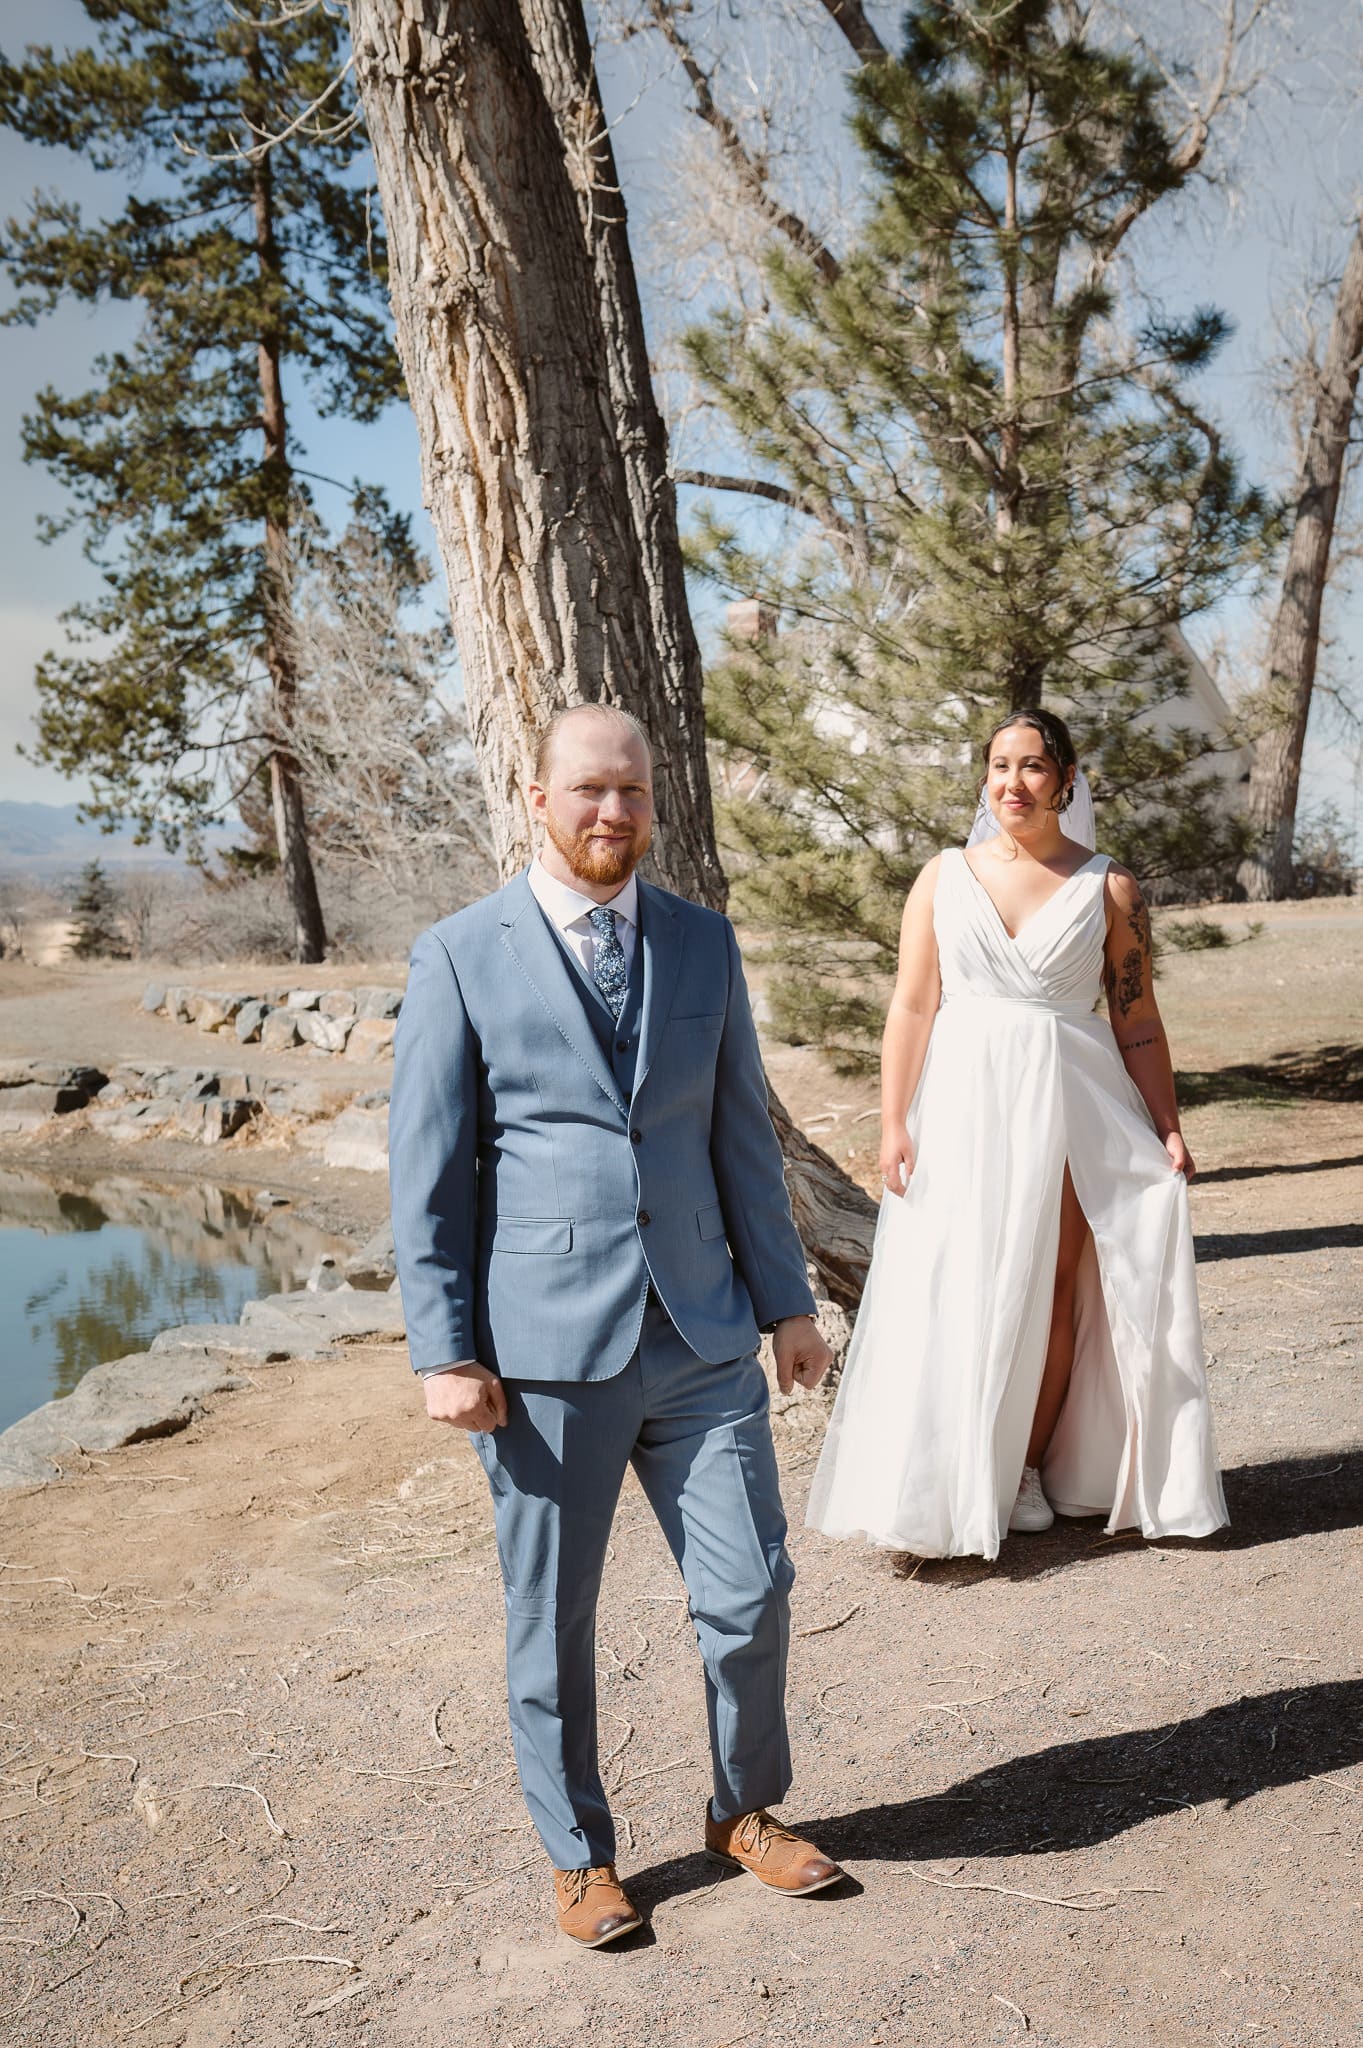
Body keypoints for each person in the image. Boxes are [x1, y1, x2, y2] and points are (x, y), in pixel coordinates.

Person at [389, 703, 842, 1948]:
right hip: (541, 1354)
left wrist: (787, 1303)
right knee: (554, 1616)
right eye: (590, 790)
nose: (614, 813)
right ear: (536, 798)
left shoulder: (702, 944)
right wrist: (445, 1348)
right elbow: (429, 1174)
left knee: (750, 1592)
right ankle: (580, 1855)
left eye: (633, 791)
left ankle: (744, 1808)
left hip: (699, 1334)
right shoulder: (460, 952)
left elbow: (740, 1132)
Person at [806, 708, 1229, 1561]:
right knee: (954, 1281)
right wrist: (893, 1121)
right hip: (961, 1102)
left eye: (1032, 766)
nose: (1012, 782)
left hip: (1074, 1103)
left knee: (1052, 1286)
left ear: (1065, 780)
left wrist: (1167, 1125)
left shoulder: (1110, 889)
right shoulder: (940, 878)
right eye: (999, 765)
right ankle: (940, 1479)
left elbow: (1135, 1015)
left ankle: (1028, 1469)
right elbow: (912, 1004)